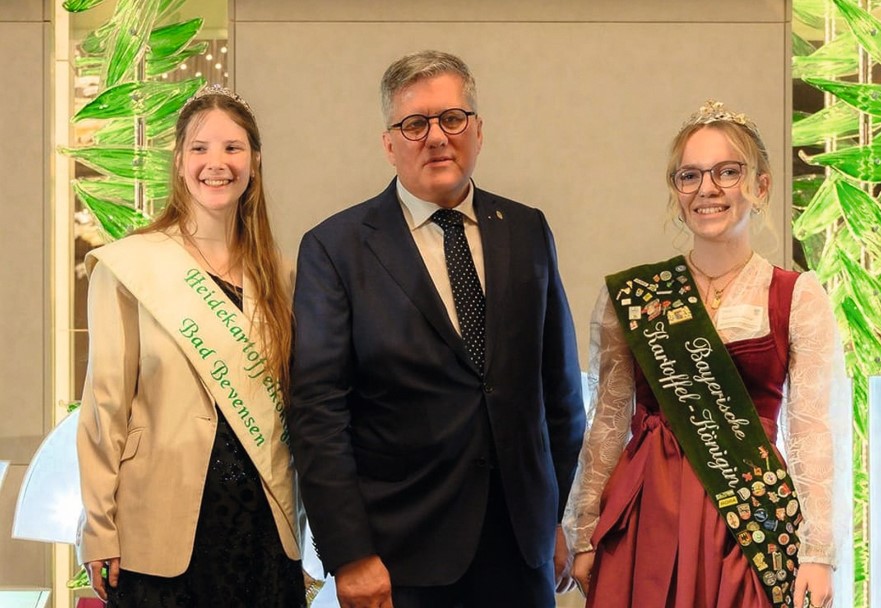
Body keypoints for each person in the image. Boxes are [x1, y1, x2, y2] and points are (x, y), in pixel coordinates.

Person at [289, 50, 586, 608]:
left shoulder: (526, 229)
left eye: (452, 119)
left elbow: (560, 393)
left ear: (477, 131)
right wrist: (349, 554)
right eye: (415, 123)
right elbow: (318, 414)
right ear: (389, 143)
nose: (436, 137)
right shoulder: (336, 248)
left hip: (522, 551)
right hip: (400, 557)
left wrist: (554, 517)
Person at [565, 101, 841, 608]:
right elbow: (604, 422)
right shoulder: (635, 296)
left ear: (760, 186)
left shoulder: (795, 296)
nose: (707, 189)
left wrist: (818, 552)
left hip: (749, 523)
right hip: (646, 511)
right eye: (689, 175)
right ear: (676, 190)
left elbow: (813, 431)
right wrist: (583, 531)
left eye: (727, 172)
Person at [76, 85, 312, 607]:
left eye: (233, 148)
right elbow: (103, 409)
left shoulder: (282, 275)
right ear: (180, 161)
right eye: (201, 148)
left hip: (263, 525)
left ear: (254, 161)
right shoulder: (130, 267)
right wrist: (98, 527)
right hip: (157, 531)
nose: (217, 163)